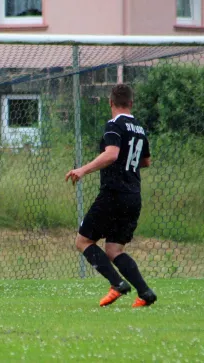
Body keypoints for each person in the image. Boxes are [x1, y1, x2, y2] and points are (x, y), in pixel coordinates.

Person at [65, 84, 157, 308]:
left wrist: (82, 169)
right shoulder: (139, 128)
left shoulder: (114, 125)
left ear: (110, 102)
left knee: (83, 241)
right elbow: (145, 161)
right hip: (133, 195)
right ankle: (145, 292)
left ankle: (117, 283)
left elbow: (112, 154)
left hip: (114, 193)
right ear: (131, 103)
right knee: (114, 250)